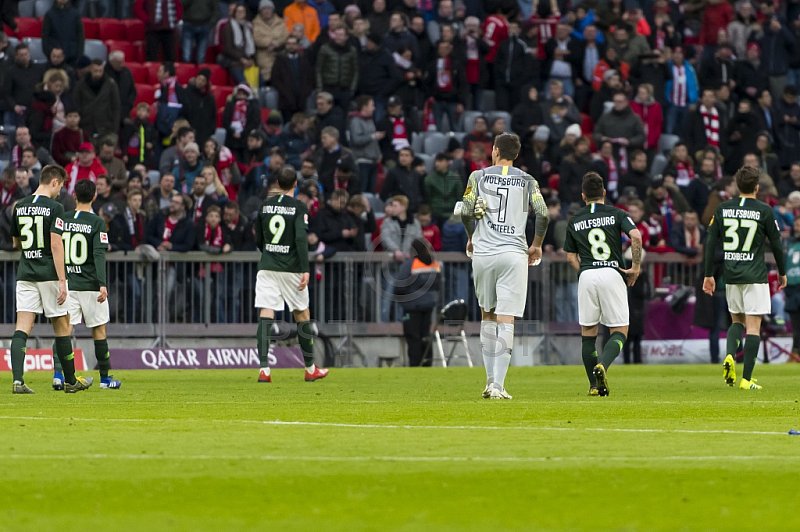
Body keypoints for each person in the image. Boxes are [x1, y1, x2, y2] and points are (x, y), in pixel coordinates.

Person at [461, 133, 549, 400]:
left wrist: (470, 237)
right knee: (506, 318)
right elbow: (543, 213)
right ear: (516, 154)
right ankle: (499, 385)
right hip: (513, 254)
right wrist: (537, 244)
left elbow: (466, 210)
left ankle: (489, 382)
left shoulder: (478, 176)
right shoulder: (528, 180)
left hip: (485, 253)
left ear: (496, 151)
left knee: (487, 314)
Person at [9, 165, 94, 393]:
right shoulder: (55, 207)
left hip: (26, 273)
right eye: (62, 185)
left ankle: (18, 381)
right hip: (48, 274)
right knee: (62, 327)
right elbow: (56, 244)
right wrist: (62, 279)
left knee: (22, 328)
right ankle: (70, 381)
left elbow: (16, 242)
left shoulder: (20, 206)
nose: (61, 191)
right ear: (54, 182)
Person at [703, 166, 787, 390]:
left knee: (736, 321)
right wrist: (782, 271)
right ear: (757, 187)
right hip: (755, 275)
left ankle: (730, 355)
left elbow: (710, 242)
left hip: (731, 275)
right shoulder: (764, 210)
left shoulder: (723, 209)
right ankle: (746, 379)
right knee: (753, 326)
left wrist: (708, 274)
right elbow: (777, 244)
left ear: (738, 186)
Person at [564, 172, 642, 396]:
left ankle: (593, 386)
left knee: (588, 332)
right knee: (619, 330)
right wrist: (635, 266)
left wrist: (586, 271)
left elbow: (570, 257)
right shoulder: (617, 213)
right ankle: (603, 366)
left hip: (587, 275)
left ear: (583, 196)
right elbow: (635, 236)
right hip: (612, 271)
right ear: (604, 193)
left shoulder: (575, 218)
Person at [254, 165, 328, 383]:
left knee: (266, 314)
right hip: (291, 268)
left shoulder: (265, 206)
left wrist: (269, 253)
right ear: (295, 184)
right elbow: (300, 239)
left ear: (277, 184)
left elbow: (259, 238)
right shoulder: (299, 207)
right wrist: (305, 268)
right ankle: (310, 368)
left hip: (267, 266)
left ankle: (264, 369)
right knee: (301, 315)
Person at [50, 179, 120, 391]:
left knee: (64, 330)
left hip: (68, 285)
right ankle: (105, 380)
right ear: (95, 197)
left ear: (74, 195)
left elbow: (54, 246)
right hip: (90, 285)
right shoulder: (98, 222)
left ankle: (58, 375)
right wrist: (103, 284)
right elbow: (99, 253)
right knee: (99, 330)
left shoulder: (63, 218)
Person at [395, 238, 441, 366]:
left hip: (412, 306)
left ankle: (415, 364)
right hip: (429, 305)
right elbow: (438, 285)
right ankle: (427, 363)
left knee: (413, 337)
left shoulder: (410, 264)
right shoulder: (435, 264)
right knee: (426, 336)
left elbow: (400, 286)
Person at [72, 59, 121, 139]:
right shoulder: (81, 84)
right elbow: (76, 104)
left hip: (105, 127)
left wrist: (114, 129)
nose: (98, 73)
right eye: (95, 71)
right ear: (90, 69)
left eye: (100, 71)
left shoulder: (110, 84)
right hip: (86, 125)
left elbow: (116, 107)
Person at [254, 0, 288, 84]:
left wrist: (277, 44)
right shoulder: (255, 23)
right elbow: (256, 38)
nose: (267, 11)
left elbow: (285, 36)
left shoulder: (280, 22)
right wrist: (270, 42)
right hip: (264, 55)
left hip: (279, 55)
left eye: (269, 8)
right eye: (264, 9)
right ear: (260, 11)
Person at [783, 217, 800, 362]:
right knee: (795, 324)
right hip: (792, 289)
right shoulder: (791, 244)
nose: (797, 227)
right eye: (796, 224)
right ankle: (795, 352)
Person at [181, 0, 217, 64]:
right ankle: (186, 72)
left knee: (201, 57)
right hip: (189, 25)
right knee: (186, 56)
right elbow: (181, 5)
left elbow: (216, 11)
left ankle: (200, 73)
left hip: (205, 25)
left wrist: (210, 24)